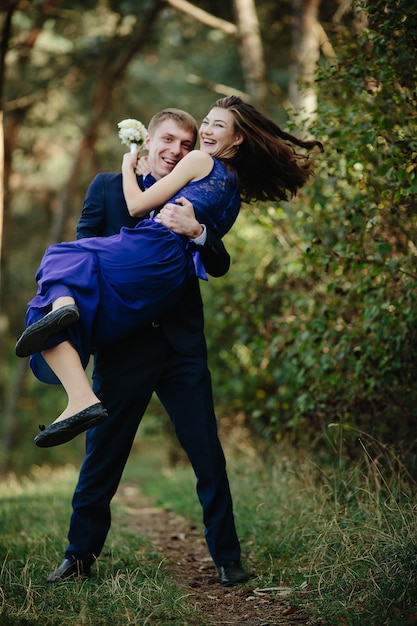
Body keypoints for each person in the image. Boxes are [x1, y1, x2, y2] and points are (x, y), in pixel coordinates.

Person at [28, 99, 322, 587]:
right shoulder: (106, 186)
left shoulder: (201, 183)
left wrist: (200, 230)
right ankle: (78, 556)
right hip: (126, 348)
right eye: (170, 140)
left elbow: (220, 260)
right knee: (102, 453)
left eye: (187, 143)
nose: (179, 148)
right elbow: (86, 242)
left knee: (207, 452)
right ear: (148, 140)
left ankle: (228, 558)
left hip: (181, 345)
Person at [16, 97, 323, 452]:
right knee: (51, 301)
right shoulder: (233, 188)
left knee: (58, 256)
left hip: (153, 248)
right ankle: (75, 377)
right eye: (206, 121)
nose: (207, 129)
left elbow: (135, 206)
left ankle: (70, 341)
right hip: (171, 271)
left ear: (238, 139)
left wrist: (128, 166)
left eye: (217, 125)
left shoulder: (199, 160)